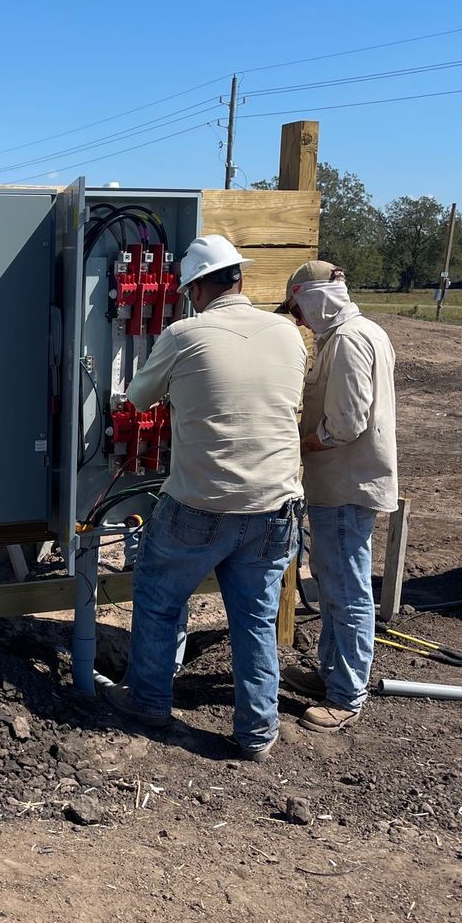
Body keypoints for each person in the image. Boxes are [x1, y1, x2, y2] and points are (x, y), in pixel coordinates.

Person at [100, 234, 307, 760]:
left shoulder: (184, 332)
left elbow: (137, 397)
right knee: (255, 619)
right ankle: (258, 732)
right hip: (275, 508)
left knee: (158, 598)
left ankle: (148, 703)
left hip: (201, 505)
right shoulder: (287, 334)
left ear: (194, 288)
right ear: (239, 278)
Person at [277, 261, 398, 731]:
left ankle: (347, 695)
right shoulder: (363, 332)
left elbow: (346, 425)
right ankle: (332, 675)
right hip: (345, 483)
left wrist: (295, 443)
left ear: (312, 297)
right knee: (333, 586)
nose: (299, 320)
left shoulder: (348, 341)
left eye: (299, 309)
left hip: (346, 484)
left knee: (346, 591)